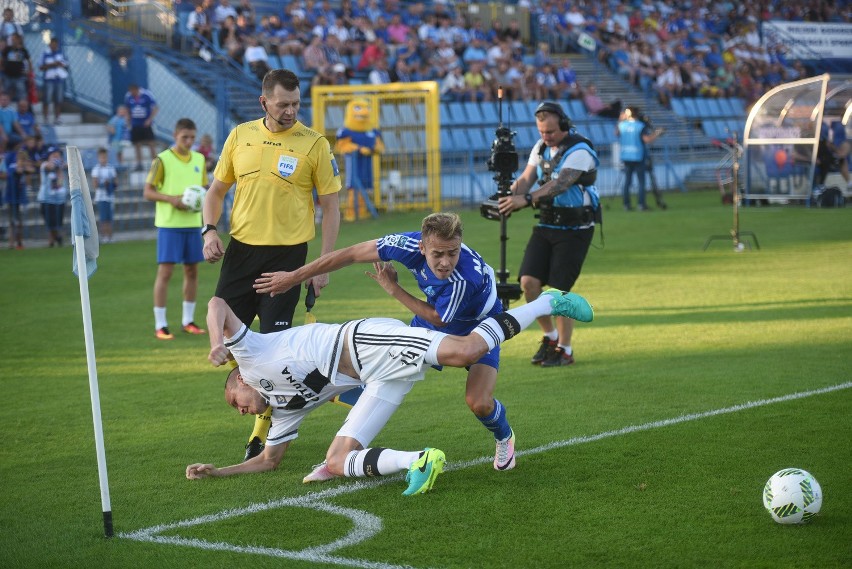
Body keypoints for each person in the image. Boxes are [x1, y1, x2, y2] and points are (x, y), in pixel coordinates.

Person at [185, 288, 594, 492]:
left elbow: (218, 303)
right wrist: (218, 471)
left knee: (465, 350)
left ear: (238, 380)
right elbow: (268, 462)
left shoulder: (249, 355)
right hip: (379, 376)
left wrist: (215, 343)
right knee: (338, 461)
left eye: (232, 402)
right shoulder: (284, 409)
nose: (239, 411)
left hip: (363, 342)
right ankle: (418, 461)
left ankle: (545, 302)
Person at [253, 212, 522, 471]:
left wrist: (393, 288)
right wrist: (294, 277)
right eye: (437, 253)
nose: (445, 262)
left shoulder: (463, 279)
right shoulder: (404, 245)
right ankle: (342, 453)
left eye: (453, 253)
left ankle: (504, 437)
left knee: (479, 402)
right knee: (386, 368)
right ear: (421, 246)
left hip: (481, 325)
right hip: (431, 318)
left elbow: (439, 318)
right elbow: (351, 254)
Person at [201, 68, 342, 462]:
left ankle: (261, 434)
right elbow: (215, 192)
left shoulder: (314, 144)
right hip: (240, 254)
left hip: (288, 258)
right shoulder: (240, 136)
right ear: (264, 102)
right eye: (283, 104)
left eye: (296, 104)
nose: (291, 111)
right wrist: (209, 231)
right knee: (231, 350)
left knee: (274, 352)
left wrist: (321, 265)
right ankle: (257, 408)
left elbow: (330, 208)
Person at [497, 101, 601, 368]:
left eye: (551, 132)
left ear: (564, 126)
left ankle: (565, 349)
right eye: (542, 132)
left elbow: (559, 183)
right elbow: (528, 178)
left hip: (575, 229)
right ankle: (550, 337)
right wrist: (508, 193)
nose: (546, 137)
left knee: (559, 291)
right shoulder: (541, 147)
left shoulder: (581, 150)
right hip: (547, 224)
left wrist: (526, 199)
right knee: (529, 283)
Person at [142, 118, 208, 340]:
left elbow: (204, 189)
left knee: (192, 271)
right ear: (175, 135)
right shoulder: (162, 160)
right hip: (169, 225)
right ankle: (160, 324)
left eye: (192, 137)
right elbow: (148, 192)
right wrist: (172, 199)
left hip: (192, 224)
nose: (189, 142)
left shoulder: (199, 159)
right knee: (166, 272)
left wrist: (200, 199)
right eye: (184, 137)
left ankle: (187, 321)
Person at [616, 106, 662, 211]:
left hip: (626, 155)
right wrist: (657, 133)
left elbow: (616, 133)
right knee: (641, 181)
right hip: (638, 155)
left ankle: (626, 205)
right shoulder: (640, 126)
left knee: (627, 181)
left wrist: (620, 120)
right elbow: (647, 140)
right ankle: (641, 204)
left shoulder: (622, 125)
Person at [124, 84, 159, 171]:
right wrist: (128, 120)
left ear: (137, 89)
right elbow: (127, 109)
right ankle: (139, 164)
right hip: (135, 124)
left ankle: (155, 164)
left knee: (151, 143)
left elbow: (155, 107)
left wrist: (149, 119)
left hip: (146, 124)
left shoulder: (147, 95)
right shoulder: (129, 96)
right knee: (137, 144)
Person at [37, 146, 67, 247]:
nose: (56, 156)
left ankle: (57, 238)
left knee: (58, 221)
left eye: (57, 154)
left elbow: (68, 167)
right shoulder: (45, 164)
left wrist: (62, 165)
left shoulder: (62, 165)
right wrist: (59, 164)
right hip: (47, 199)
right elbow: (50, 167)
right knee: (50, 222)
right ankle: (52, 240)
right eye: (53, 155)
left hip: (59, 198)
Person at [39, 37, 69, 125]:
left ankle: (57, 118)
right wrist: (52, 64)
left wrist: (61, 64)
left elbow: (66, 64)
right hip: (49, 80)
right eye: (53, 44)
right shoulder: (45, 53)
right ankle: (46, 118)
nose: (54, 46)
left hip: (59, 80)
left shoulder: (61, 53)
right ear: (50, 44)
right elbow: (41, 67)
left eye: (56, 44)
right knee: (47, 100)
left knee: (58, 100)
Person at [91, 147, 118, 243]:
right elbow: (95, 184)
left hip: (110, 197)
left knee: (109, 217)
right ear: (98, 158)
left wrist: (110, 184)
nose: (103, 159)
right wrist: (103, 184)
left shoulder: (111, 168)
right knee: (103, 218)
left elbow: (115, 183)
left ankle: (110, 236)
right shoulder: (96, 169)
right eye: (102, 157)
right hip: (101, 197)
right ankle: (104, 236)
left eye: (105, 157)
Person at [1, 33, 31, 104]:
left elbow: (29, 62)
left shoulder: (23, 50)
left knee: (21, 94)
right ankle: (5, 108)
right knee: (5, 93)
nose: (13, 40)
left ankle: (22, 109)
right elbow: (2, 60)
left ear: (18, 39)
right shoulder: (7, 49)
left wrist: (29, 71)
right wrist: (2, 68)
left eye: (14, 39)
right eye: (12, 39)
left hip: (19, 76)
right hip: (8, 75)